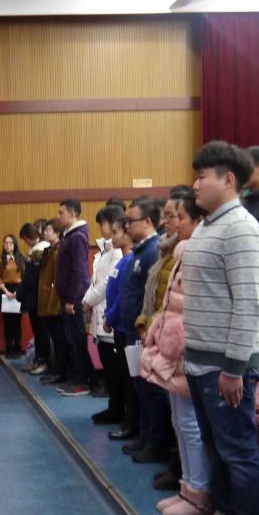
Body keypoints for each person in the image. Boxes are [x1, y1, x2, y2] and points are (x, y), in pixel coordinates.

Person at [178, 141, 259, 515]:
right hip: (201, 363)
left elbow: (248, 305)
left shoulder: (242, 230)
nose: (195, 185)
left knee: (238, 452)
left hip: (226, 367)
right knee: (216, 450)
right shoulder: (208, 226)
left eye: (202, 177)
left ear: (228, 180)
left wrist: (234, 368)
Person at [140, 191, 211, 515]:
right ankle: (187, 487)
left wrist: (173, 340)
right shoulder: (180, 249)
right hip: (172, 347)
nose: (172, 223)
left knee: (191, 424)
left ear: (198, 220)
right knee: (180, 421)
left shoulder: (198, 251)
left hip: (187, 347)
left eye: (179, 217)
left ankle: (199, 492)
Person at [117, 198, 167, 462]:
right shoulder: (139, 251)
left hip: (144, 333)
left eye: (131, 221)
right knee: (140, 387)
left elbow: (154, 296)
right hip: (132, 331)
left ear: (148, 221)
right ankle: (145, 437)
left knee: (150, 389)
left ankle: (155, 443)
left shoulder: (152, 251)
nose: (127, 226)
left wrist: (145, 326)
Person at [83, 205, 125, 423]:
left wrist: (88, 301)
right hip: (100, 313)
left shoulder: (117, 252)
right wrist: (87, 300)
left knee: (116, 369)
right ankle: (114, 406)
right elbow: (95, 281)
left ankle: (119, 408)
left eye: (103, 224)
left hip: (109, 313)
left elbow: (108, 283)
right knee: (108, 366)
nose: (100, 228)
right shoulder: (104, 250)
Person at [54, 199, 92, 397]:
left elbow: (79, 271)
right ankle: (75, 377)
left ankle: (81, 381)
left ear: (72, 213)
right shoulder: (69, 236)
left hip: (73, 299)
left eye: (62, 213)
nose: (59, 216)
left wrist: (72, 299)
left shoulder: (77, 237)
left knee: (77, 340)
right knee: (71, 339)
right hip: (68, 297)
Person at [102, 215, 135, 435]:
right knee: (124, 375)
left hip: (125, 327)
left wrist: (110, 317)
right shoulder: (122, 260)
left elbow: (124, 296)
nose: (112, 237)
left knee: (131, 379)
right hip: (118, 326)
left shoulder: (131, 260)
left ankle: (132, 424)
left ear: (127, 233)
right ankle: (127, 419)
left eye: (115, 232)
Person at [37, 221, 66, 386]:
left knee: (59, 339)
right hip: (47, 300)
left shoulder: (58, 251)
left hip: (53, 303)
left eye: (48, 230)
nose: (45, 233)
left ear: (57, 233)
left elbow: (57, 280)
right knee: (55, 338)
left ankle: (60, 372)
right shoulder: (49, 250)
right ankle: (56, 370)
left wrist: (53, 305)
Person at [17, 223, 46, 372]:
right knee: (37, 331)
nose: (25, 242)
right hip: (33, 296)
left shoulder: (40, 249)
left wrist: (19, 293)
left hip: (37, 297)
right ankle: (38, 359)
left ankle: (42, 360)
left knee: (41, 332)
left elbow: (31, 277)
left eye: (25, 239)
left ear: (28, 237)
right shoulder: (34, 249)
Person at [0, 234, 26, 358]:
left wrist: (19, 291)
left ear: (15, 245)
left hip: (18, 290)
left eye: (10, 243)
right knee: (7, 322)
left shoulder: (21, 259)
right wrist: (5, 290)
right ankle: (9, 348)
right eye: (5, 243)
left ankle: (18, 348)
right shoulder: (1, 259)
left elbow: (25, 276)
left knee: (17, 322)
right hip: (5, 291)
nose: (7, 245)